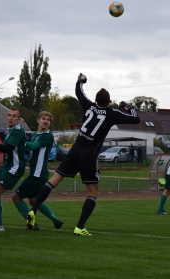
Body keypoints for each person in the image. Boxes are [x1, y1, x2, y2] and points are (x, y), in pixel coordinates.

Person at [26, 73, 140, 236]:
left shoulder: (88, 106)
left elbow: (79, 92)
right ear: (109, 102)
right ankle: (79, 227)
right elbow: (136, 119)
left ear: (95, 99)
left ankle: (33, 211)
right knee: (92, 192)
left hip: (75, 149)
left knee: (54, 180)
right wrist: (128, 107)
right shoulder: (112, 113)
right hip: (89, 154)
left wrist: (80, 80)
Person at [12, 111, 63, 230]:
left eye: (48, 120)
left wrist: (17, 140)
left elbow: (33, 146)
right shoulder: (36, 134)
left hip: (37, 175)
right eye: (43, 119)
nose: (46, 121)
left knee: (16, 198)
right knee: (34, 200)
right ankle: (56, 221)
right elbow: (29, 151)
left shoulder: (47, 136)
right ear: (38, 120)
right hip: (38, 174)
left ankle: (32, 224)